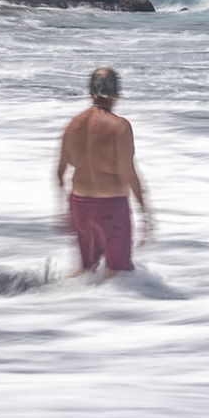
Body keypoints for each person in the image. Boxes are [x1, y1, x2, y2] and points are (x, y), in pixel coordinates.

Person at [56, 67, 152, 279]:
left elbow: (60, 172)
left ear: (90, 92)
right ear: (117, 93)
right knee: (118, 276)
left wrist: (66, 211)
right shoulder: (120, 127)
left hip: (79, 205)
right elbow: (129, 172)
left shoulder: (72, 125)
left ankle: (59, 300)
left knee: (86, 271)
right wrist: (145, 211)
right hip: (111, 208)